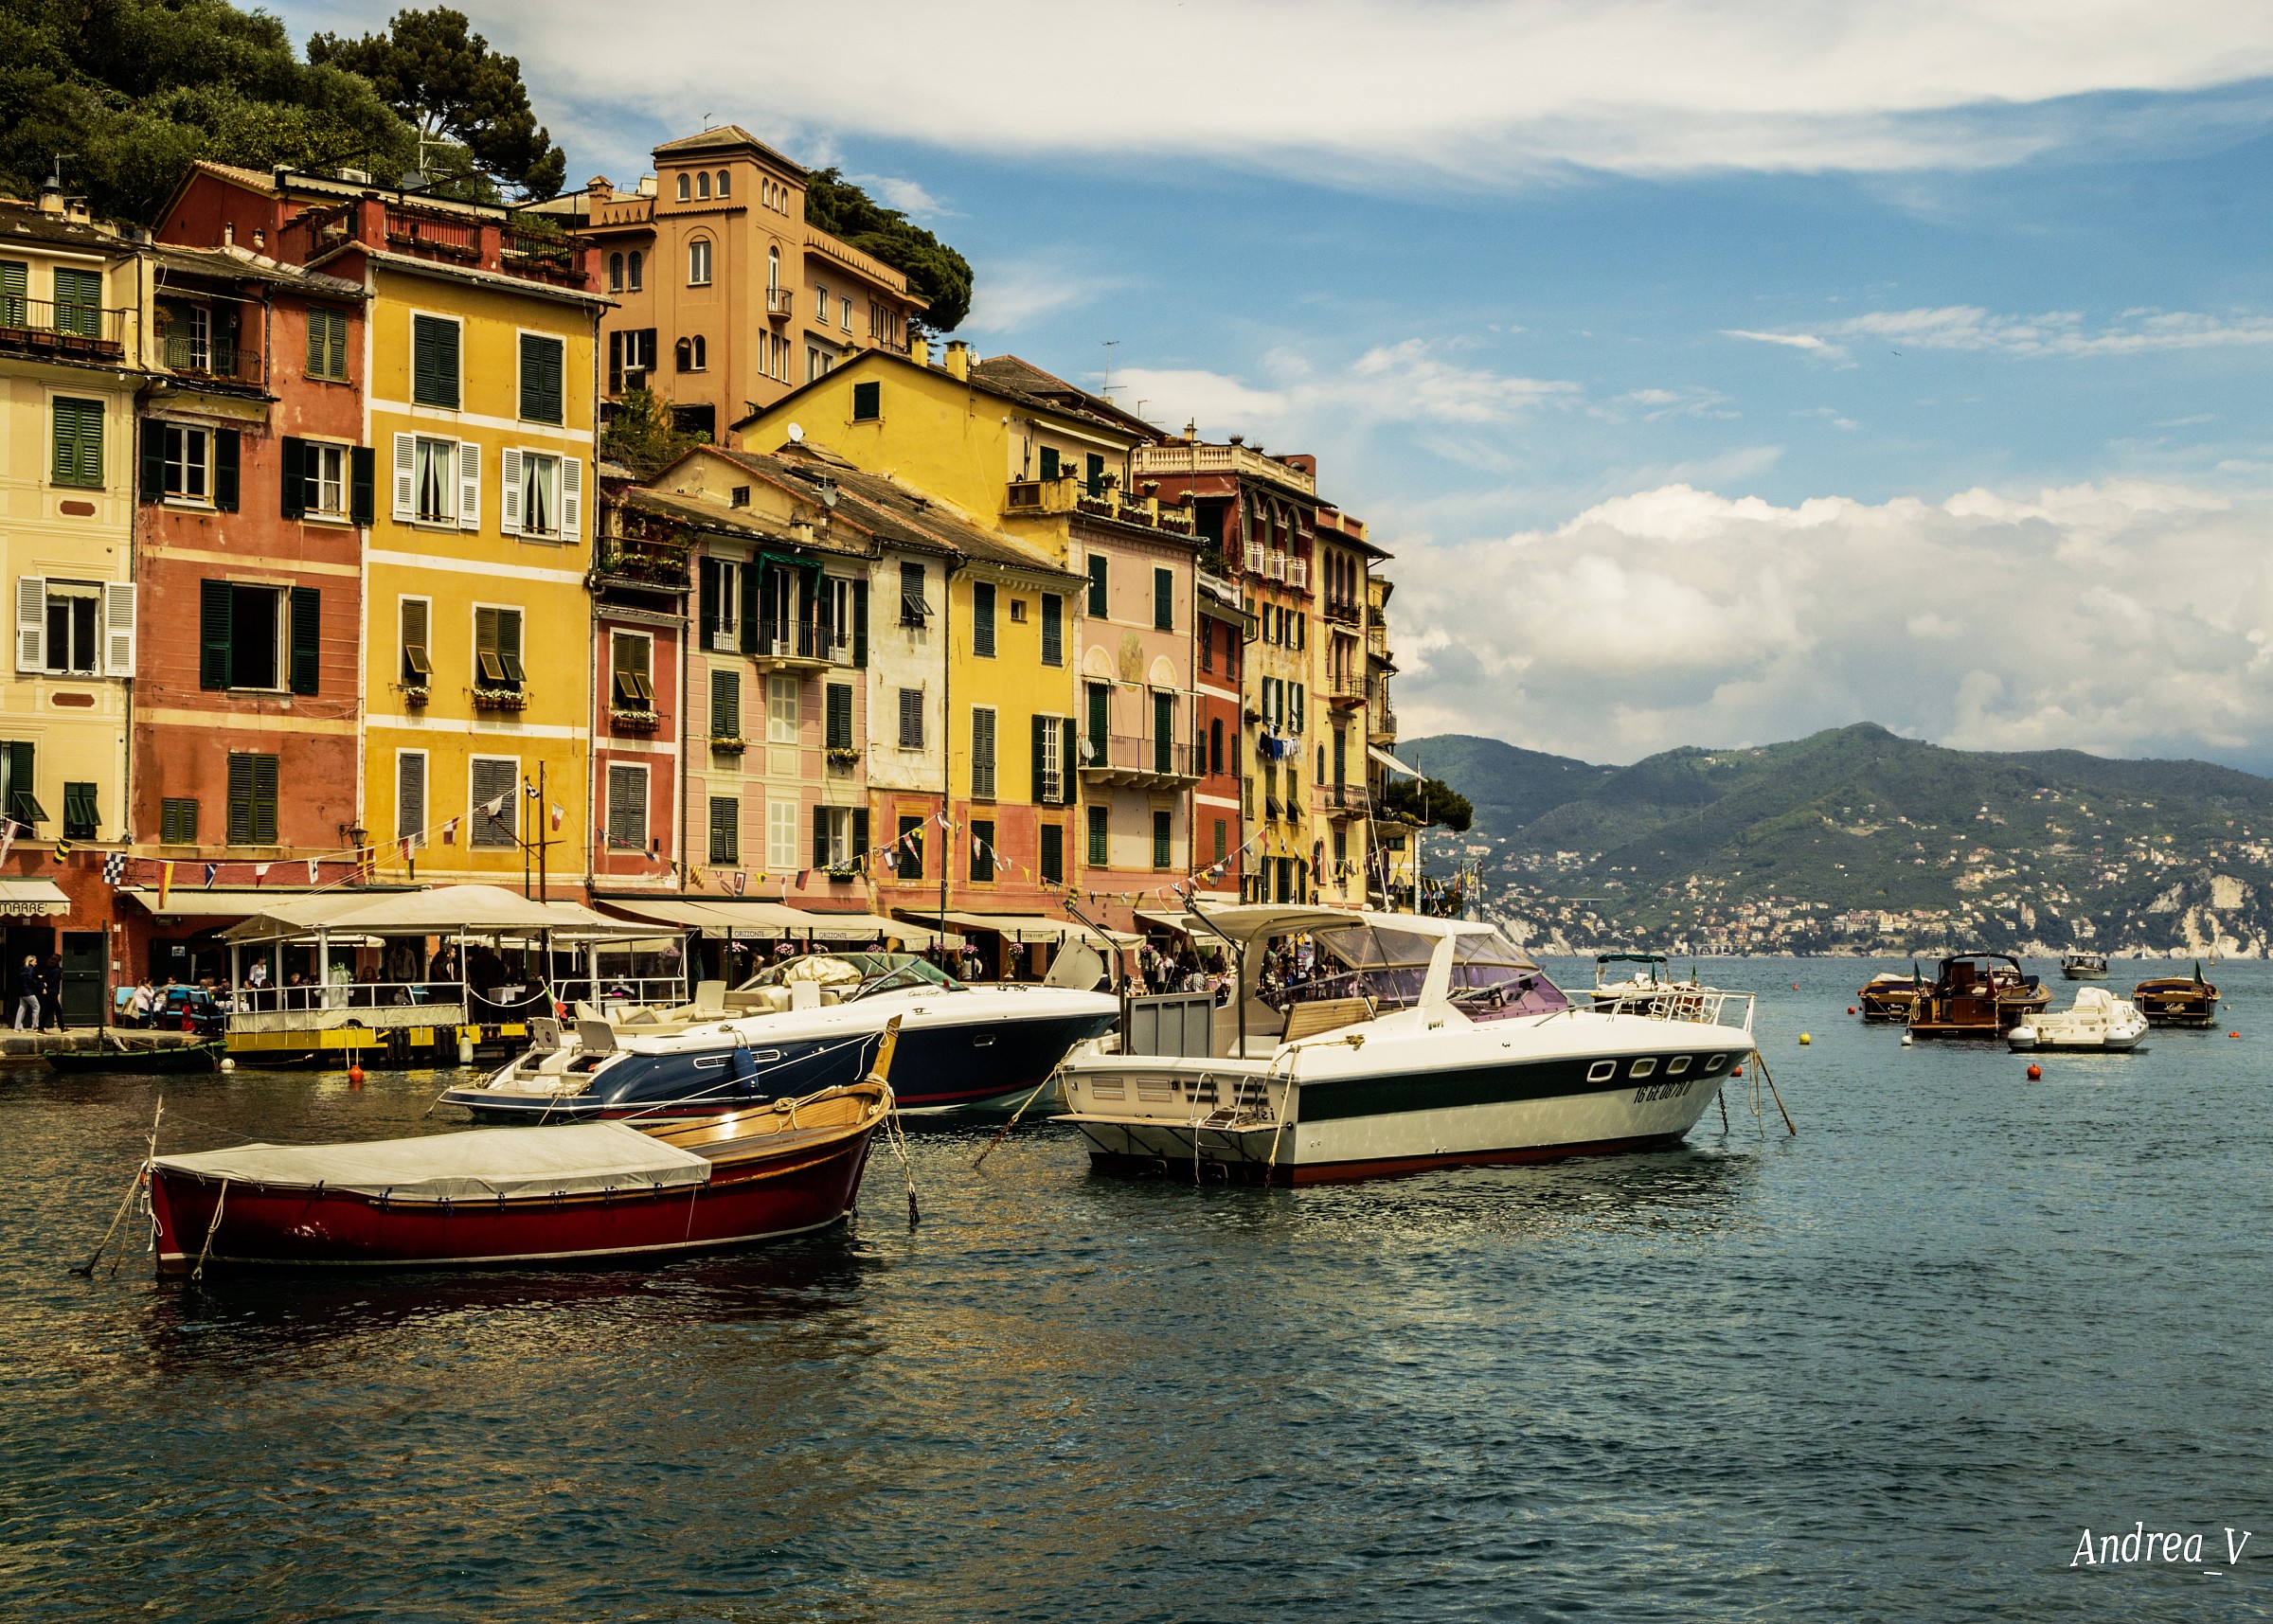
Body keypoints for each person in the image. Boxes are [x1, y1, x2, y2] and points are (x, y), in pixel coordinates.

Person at [13, 955, 37, 1031]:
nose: (36, 963)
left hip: (22, 991)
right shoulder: (31, 969)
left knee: (22, 1008)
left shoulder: (22, 969)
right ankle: (35, 1026)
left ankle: (17, 1027)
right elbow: (30, 979)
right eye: (35, 962)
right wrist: (38, 983)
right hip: (29, 992)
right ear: (31, 962)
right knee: (36, 1007)